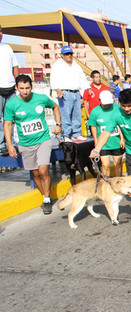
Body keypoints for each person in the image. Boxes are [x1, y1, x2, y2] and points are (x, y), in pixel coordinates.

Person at [4, 75, 62, 214]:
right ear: (16, 88)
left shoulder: (40, 99)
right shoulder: (11, 104)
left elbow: (55, 106)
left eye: (27, 88)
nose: (25, 91)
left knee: (43, 170)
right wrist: (9, 145)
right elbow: (8, 124)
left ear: (32, 87)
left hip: (43, 140)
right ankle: (44, 194)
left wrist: (58, 124)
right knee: (35, 173)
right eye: (22, 88)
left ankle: (47, 199)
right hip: (25, 143)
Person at [90, 89, 131, 211]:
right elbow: (106, 133)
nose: (126, 109)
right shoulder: (116, 114)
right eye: (123, 106)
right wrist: (97, 149)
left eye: (129, 106)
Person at [50, 45, 90, 142]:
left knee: (76, 114)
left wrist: (88, 88)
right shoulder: (57, 65)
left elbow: (82, 78)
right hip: (65, 92)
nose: (69, 56)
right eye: (66, 54)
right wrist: (57, 90)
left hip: (76, 92)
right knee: (66, 114)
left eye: (70, 54)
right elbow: (53, 79)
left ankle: (76, 133)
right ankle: (66, 134)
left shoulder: (76, 64)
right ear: (62, 55)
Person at [88, 90, 124, 177]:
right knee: (105, 165)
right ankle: (106, 183)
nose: (107, 106)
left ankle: (118, 182)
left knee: (118, 164)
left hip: (116, 141)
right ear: (100, 101)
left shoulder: (117, 108)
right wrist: (96, 142)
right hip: (104, 144)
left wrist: (122, 139)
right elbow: (93, 126)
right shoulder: (95, 111)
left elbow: (121, 124)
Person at [0, 25, 19, 155]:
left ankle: (10, 143)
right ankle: (1, 144)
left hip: (11, 88)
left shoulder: (7, 48)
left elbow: (15, 66)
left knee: (11, 119)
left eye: (0, 31)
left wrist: (17, 82)